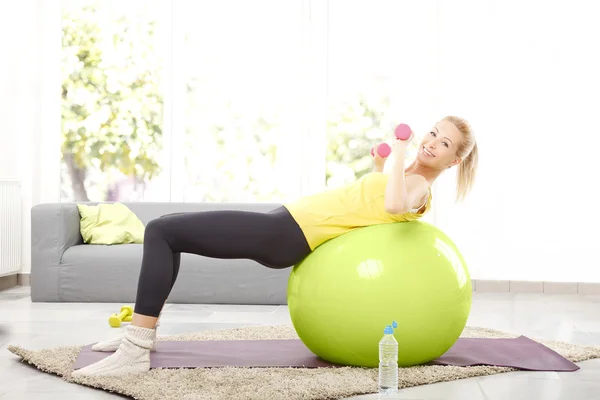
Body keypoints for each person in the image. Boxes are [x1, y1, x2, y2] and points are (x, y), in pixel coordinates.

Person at [71, 115, 478, 377]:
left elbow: (394, 204)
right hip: (283, 224)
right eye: (433, 133)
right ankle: (141, 336)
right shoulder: (407, 175)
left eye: (443, 144)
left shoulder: (420, 185)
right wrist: (380, 164)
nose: (431, 142)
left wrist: (401, 147)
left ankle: (136, 348)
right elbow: (372, 209)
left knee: (162, 231)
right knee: (166, 232)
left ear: (453, 161)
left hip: (285, 234)